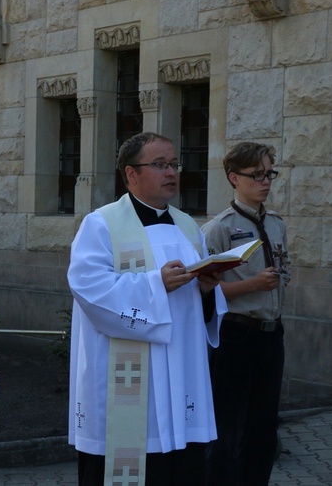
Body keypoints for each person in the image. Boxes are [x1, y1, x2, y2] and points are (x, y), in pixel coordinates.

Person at [67, 132, 227, 485]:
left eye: (174, 164)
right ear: (131, 174)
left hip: (182, 368)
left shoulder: (188, 227)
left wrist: (206, 290)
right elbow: (89, 289)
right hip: (127, 380)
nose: (171, 172)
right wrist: (157, 284)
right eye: (159, 165)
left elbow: (200, 309)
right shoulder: (102, 224)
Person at [202, 142, 291, 485]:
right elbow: (204, 291)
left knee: (263, 430)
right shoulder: (219, 229)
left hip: (270, 335)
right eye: (257, 175)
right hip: (234, 336)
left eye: (270, 173)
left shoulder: (277, 224)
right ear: (234, 178)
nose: (265, 181)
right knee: (226, 434)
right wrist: (252, 284)